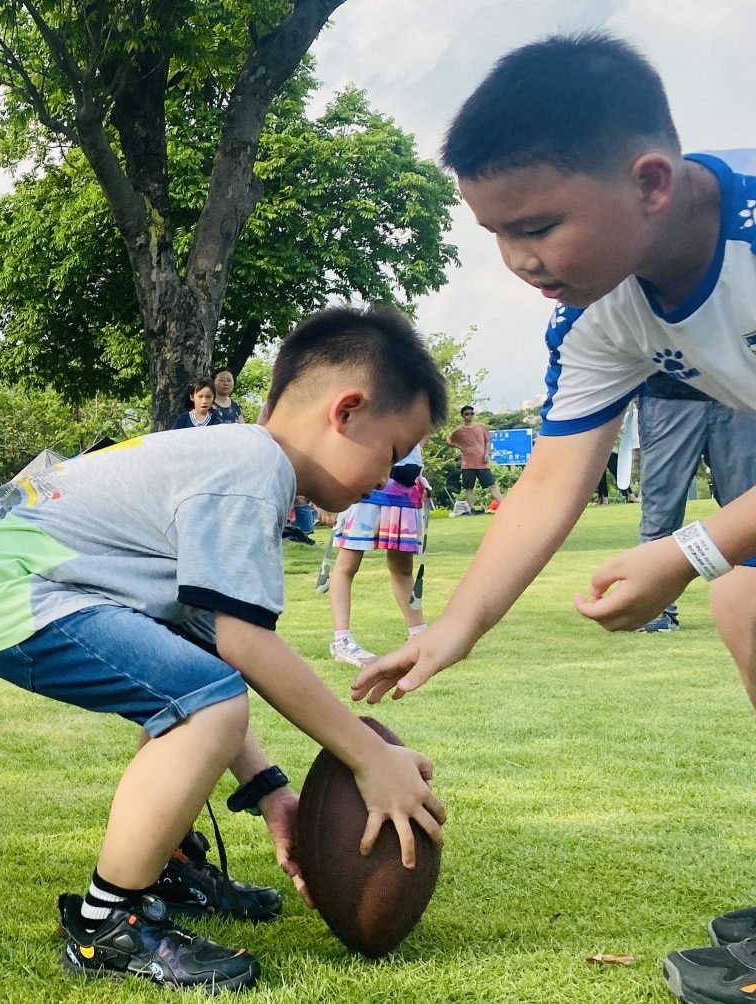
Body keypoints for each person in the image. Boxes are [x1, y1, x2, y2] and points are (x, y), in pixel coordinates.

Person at [345, 34, 756, 1001]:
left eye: (536, 224)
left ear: (651, 182)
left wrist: (688, 549)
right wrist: (452, 629)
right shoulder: (603, 309)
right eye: (496, 231)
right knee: (747, 606)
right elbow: (549, 482)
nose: (517, 259)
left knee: (735, 592)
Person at [0, 305, 447, 992]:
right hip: (11, 586)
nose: (387, 480)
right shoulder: (252, 469)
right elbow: (245, 648)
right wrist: (368, 753)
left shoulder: (234, 458)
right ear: (346, 411)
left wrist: (271, 794)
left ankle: (164, 867)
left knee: (194, 690)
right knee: (206, 703)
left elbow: (213, 652)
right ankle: (106, 924)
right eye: (393, 453)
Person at [633, 373, 756, 633]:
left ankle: (750, 603)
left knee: (749, 508)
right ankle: (656, 609)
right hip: (666, 394)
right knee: (660, 511)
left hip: (739, 391)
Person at [325, 442, 429, 667]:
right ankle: (342, 640)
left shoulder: (418, 409)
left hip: (406, 490)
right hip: (368, 487)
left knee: (403, 568)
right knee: (347, 565)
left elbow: (420, 440)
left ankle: (419, 635)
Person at [447, 405, 501, 513]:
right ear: (462, 416)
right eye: (467, 414)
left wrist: (486, 454)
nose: (469, 416)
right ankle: (472, 509)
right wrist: (459, 447)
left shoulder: (481, 427)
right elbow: (448, 441)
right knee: (469, 487)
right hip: (467, 463)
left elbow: (487, 441)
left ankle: (503, 505)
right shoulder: (459, 430)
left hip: (482, 462)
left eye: (471, 413)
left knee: (492, 485)